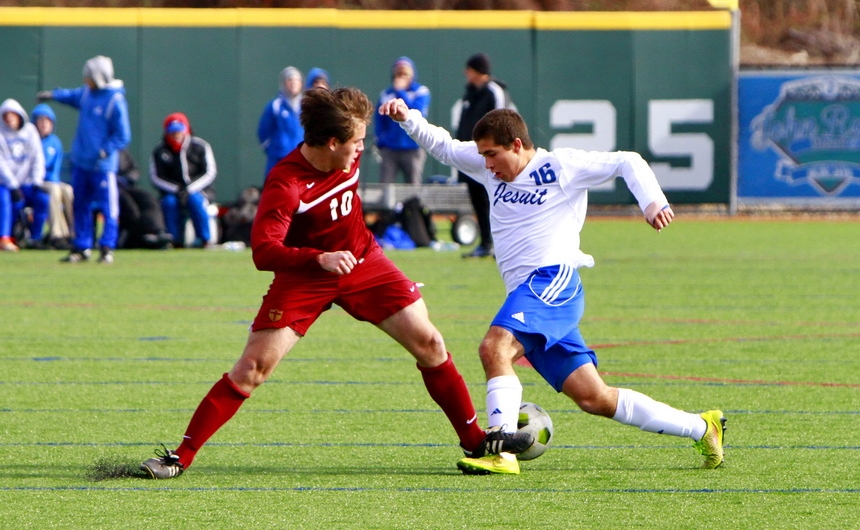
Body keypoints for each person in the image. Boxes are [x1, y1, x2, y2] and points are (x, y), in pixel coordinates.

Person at [139, 87, 532, 480]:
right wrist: (318, 259)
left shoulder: (345, 147)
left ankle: (475, 442)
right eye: (358, 142)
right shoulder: (286, 183)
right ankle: (180, 455)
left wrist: (400, 113)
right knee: (252, 368)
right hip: (306, 276)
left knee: (430, 343)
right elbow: (263, 251)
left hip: (364, 262)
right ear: (331, 143)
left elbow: (341, 116)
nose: (363, 149)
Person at [379, 99, 727, 475]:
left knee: (494, 347)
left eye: (493, 154)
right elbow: (444, 146)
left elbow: (628, 160)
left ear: (516, 144)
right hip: (528, 294)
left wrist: (651, 202)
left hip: (552, 280)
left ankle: (499, 449)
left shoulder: (560, 166)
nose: (487, 164)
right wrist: (408, 118)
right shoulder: (489, 168)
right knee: (594, 398)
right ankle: (701, 427)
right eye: (482, 156)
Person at [37, 54, 131, 264]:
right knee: (80, 205)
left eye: (89, 76)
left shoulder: (115, 100)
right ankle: (82, 246)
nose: (85, 80)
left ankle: (107, 247)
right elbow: (71, 95)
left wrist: (105, 150)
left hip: (102, 166)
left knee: (108, 207)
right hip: (81, 163)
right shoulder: (87, 94)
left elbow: (123, 135)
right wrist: (53, 95)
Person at [452, 53, 512, 259]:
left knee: (496, 200)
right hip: (471, 155)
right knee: (478, 201)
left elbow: (501, 120)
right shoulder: (470, 93)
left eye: (469, 70)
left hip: (490, 155)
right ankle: (486, 243)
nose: (465, 74)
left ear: (478, 71)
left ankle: (502, 245)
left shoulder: (493, 91)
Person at [149, 112, 217, 248]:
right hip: (172, 192)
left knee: (196, 201)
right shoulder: (160, 151)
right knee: (169, 203)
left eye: (179, 131)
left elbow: (209, 172)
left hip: (199, 190)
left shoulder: (200, 146)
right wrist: (177, 189)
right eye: (172, 132)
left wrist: (190, 189)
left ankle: (204, 240)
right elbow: (156, 177)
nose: (176, 135)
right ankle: (174, 240)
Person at [374, 57, 431, 185]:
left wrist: (400, 91)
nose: (401, 77)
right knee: (385, 186)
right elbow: (379, 119)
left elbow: (416, 113)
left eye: (405, 74)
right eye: (399, 74)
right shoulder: (386, 94)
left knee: (413, 185)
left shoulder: (421, 92)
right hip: (390, 148)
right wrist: (381, 140)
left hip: (413, 148)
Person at [0, 98, 46, 251]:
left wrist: (37, 181)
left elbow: (38, 157)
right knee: (6, 200)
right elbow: (1, 164)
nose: (9, 120)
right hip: (6, 184)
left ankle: (35, 238)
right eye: (6, 116)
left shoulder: (30, 131)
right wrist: (13, 186)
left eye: (12, 115)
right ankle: (6, 238)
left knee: (43, 200)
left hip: (27, 183)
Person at [31, 103, 74, 250]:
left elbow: (54, 168)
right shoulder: (32, 140)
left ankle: (73, 233)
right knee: (54, 191)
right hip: (37, 181)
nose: (43, 124)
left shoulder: (55, 142)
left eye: (47, 121)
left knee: (67, 190)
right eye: (40, 120)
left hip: (52, 180)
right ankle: (57, 235)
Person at [116, 148, 172, 249]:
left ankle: (157, 231)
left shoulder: (121, 151)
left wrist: (128, 178)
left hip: (124, 187)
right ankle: (133, 239)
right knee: (131, 209)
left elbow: (134, 170)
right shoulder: (94, 149)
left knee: (148, 199)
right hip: (105, 190)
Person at [257, 66, 304, 178]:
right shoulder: (275, 106)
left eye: (296, 80)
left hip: (301, 159)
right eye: (290, 80)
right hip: (279, 159)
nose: (293, 83)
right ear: (284, 83)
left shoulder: (306, 106)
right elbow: (263, 132)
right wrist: (275, 149)